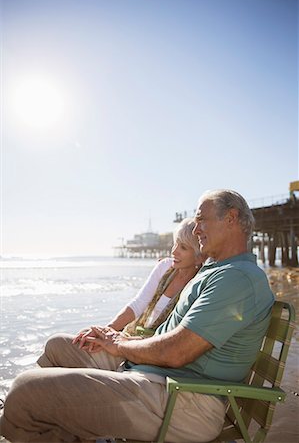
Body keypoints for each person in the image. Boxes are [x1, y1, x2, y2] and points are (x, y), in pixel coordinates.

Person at [0, 189, 275, 443]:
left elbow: (177, 352)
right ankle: (55, 427)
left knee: (26, 391)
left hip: (186, 402)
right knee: (60, 345)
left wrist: (120, 346)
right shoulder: (216, 271)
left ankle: (34, 423)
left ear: (231, 218)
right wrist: (121, 337)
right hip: (159, 378)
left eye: (201, 220)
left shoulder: (237, 279)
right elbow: (169, 338)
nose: (195, 227)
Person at [74, 218, 204, 345]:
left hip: (150, 348)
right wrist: (106, 330)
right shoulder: (165, 267)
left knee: (59, 343)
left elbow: (175, 337)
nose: (174, 251)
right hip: (130, 336)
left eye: (183, 248)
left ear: (199, 256)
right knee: (77, 339)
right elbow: (138, 304)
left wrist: (118, 341)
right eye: (175, 244)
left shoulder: (199, 284)